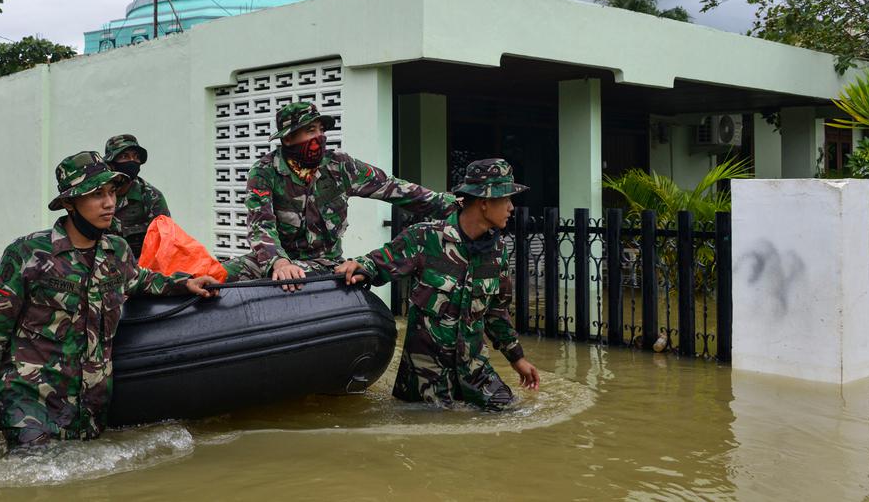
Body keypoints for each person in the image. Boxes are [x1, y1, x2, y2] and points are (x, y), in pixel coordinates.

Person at [0, 151, 219, 454]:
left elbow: (139, 281)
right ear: (69, 203)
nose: (109, 202)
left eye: (112, 192)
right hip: (30, 400)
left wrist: (185, 283)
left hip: (89, 406)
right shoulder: (27, 253)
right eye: (97, 194)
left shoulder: (117, 251)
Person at [335, 158, 541, 410]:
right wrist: (358, 267)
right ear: (485, 203)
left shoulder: (497, 251)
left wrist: (517, 359)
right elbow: (378, 263)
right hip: (426, 380)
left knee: (512, 412)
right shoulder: (425, 237)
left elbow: (497, 314)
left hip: (475, 372)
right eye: (506, 199)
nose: (511, 207)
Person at [224, 101, 457, 289]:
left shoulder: (340, 166)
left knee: (299, 280)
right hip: (279, 259)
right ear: (288, 138)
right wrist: (279, 262)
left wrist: (452, 205)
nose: (319, 137)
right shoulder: (265, 172)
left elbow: (394, 188)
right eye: (310, 130)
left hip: (324, 263)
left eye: (321, 130)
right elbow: (260, 225)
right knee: (217, 274)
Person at [103, 133, 170, 258]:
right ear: (110, 163)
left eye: (136, 157)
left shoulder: (152, 197)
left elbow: (165, 244)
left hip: (139, 272)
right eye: (124, 156)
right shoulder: (96, 194)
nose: (132, 161)